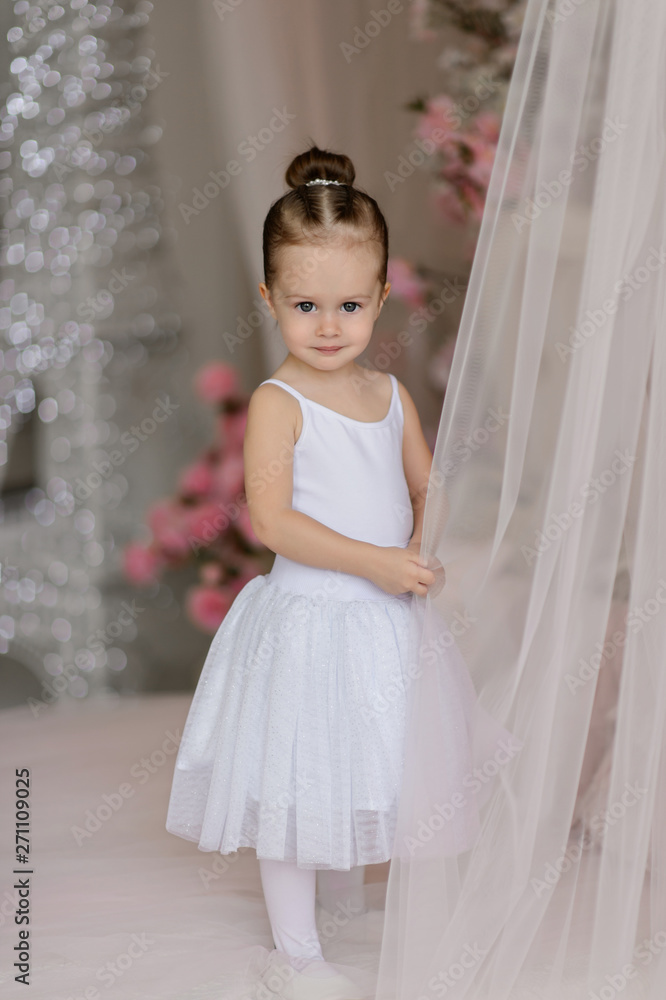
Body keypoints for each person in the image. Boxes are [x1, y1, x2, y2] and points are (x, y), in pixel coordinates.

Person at [165, 142, 445, 1000]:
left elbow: (425, 484)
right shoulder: (277, 403)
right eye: (306, 305)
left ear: (384, 293)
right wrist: (378, 561)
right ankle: (296, 950)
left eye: (351, 304)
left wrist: (426, 552)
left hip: (383, 616)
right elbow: (274, 520)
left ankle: (347, 895)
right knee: (296, 777)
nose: (329, 326)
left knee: (372, 756)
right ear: (270, 299)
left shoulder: (391, 395)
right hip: (310, 614)